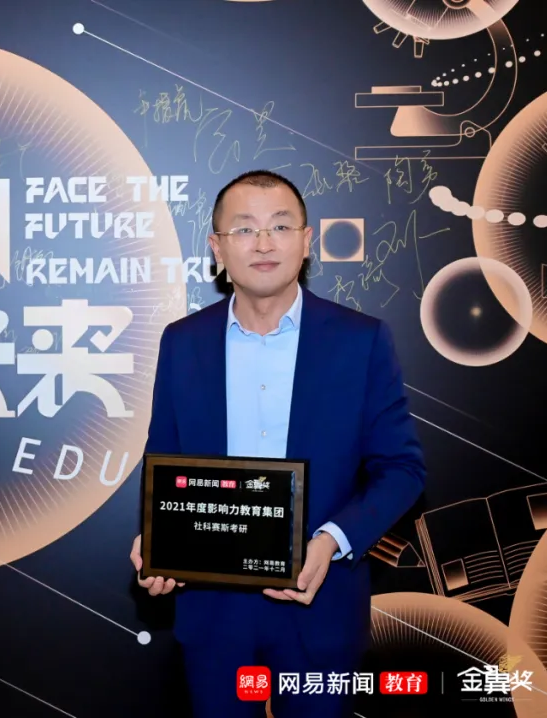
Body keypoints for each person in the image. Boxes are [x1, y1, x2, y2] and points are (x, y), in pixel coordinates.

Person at [129, 169, 426, 717]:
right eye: (244, 229)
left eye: (281, 227)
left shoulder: (361, 340)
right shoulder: (183, 342)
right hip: (212, 608)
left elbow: (402, 469)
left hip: (320, 601)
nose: (264, 243)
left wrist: (332, 541)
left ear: (306, 242)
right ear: (217, 248)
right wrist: (157, 537)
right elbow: (162, 460)